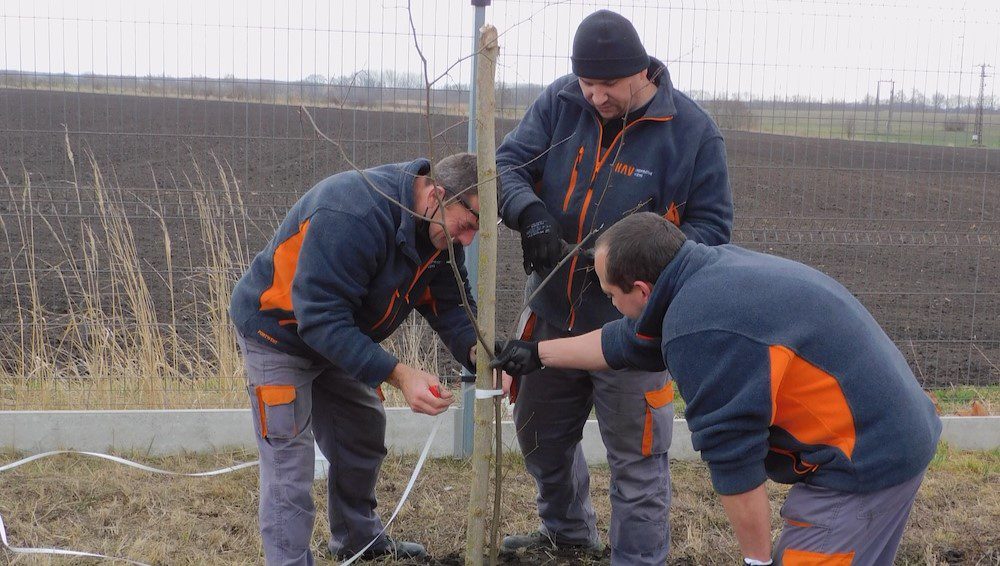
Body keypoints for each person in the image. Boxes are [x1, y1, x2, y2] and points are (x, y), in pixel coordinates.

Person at [492, 212, 942, 566]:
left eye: (611, 295)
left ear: (643, 290)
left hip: (865, 460)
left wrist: (756, 560)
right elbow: (627, 341)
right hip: (895, 429)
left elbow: (736, 467)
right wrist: (539, 353)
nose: (610, 304)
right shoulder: (703, 271)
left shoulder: (702, 330)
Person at [495, 9, 733, 564]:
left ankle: (637, 559)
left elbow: (712, 232)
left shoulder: (692, 134)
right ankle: (567, 531)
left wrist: (639, 262)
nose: (596, 96)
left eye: (608, 86)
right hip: (554, 311)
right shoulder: (560, 103)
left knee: (638, 459)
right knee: (538, 434)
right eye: (587, 83)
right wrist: (528, 212)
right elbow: (507, 162)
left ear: (640, 74)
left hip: (636, 327)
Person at [230, 153, 484, 565]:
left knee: (362, 428)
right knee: (288, 463)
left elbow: (450, 305)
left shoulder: (439, 234)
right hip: (278, 333)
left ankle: (358, 540)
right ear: (437, 195)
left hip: (337, 335)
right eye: (468, 224)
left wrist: (480, 353)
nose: (468, 239)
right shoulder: (353, 212)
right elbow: (318, 319)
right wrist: (399, 374)